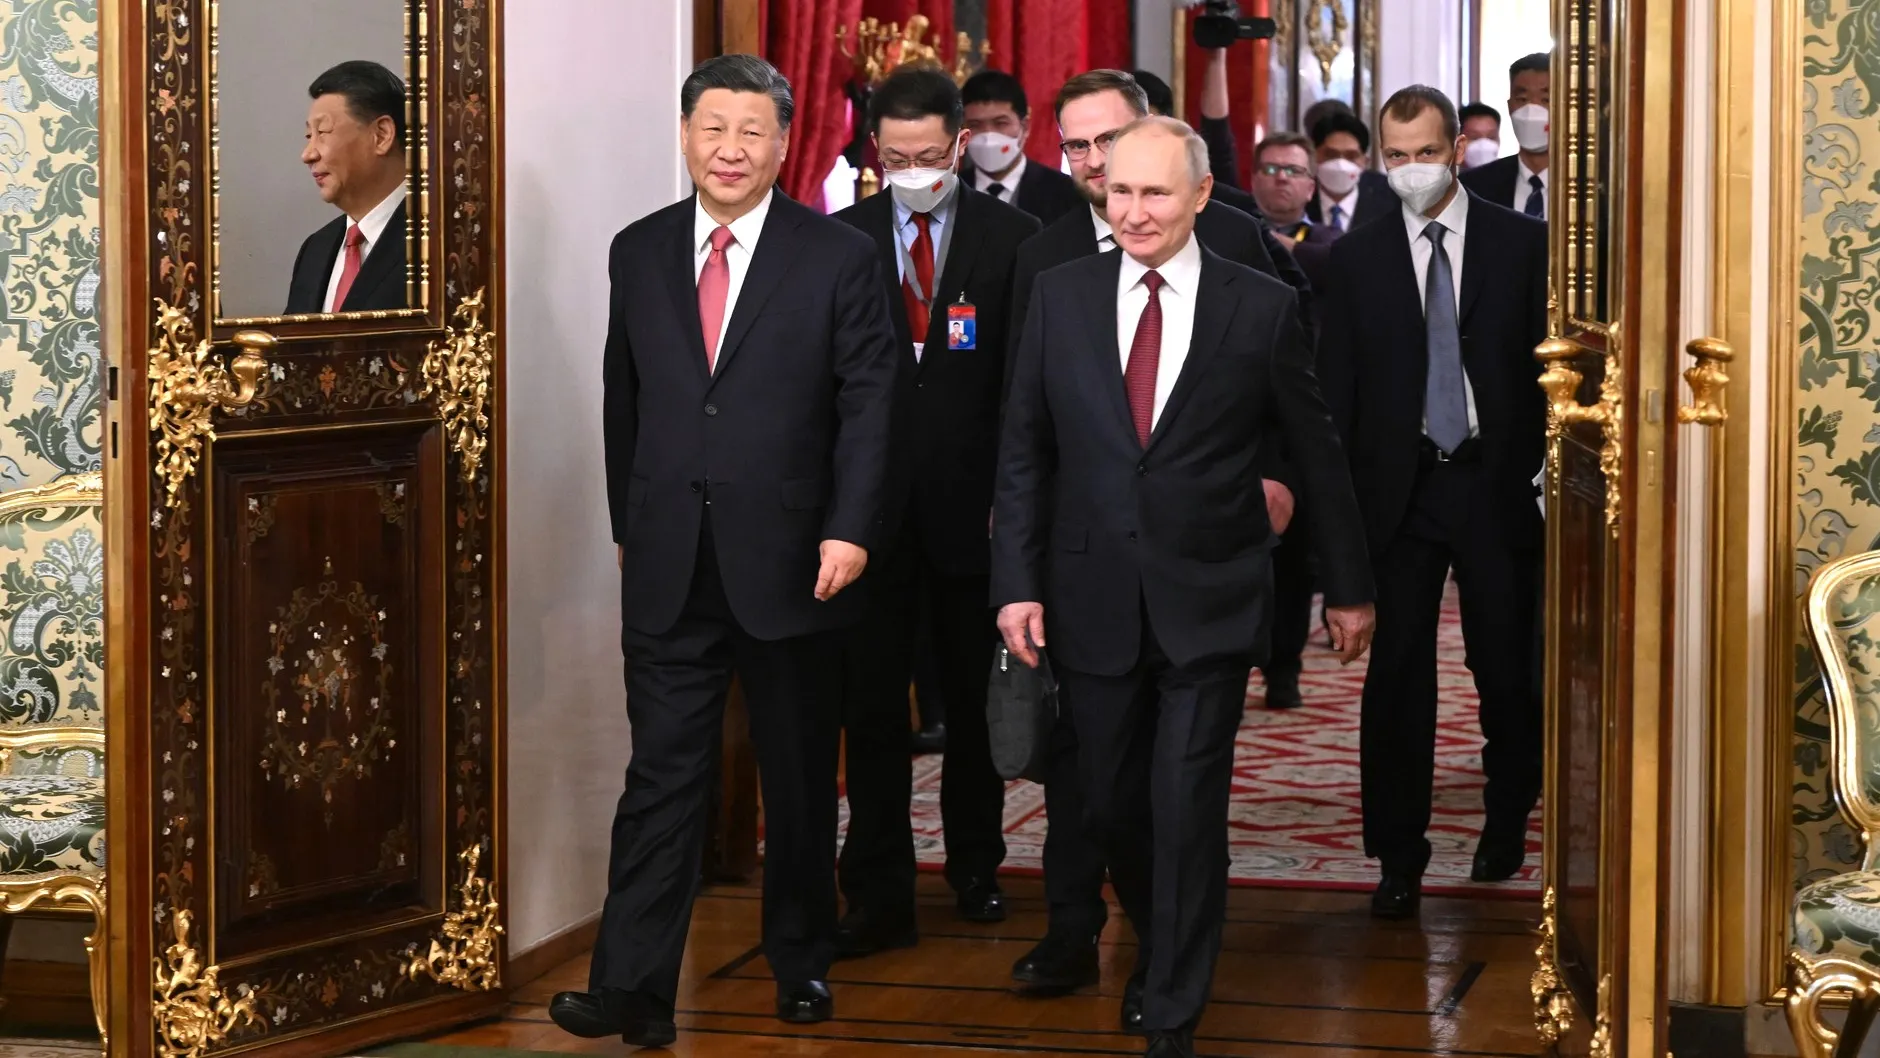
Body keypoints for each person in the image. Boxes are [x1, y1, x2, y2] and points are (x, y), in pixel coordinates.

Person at [992, 115, 1375, 1058]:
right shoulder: (1060, 295)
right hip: (1088, 596)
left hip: (1210, 596)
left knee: (1187, 800)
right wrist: (1015, 584)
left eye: (1155, 192)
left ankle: (1171, 1005)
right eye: (1118, 191)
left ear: (1201, 196)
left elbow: (1317, 451)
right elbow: (1024, 451)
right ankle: (1163, 943)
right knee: (1109, 803)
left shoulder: (1260, 305)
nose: (1133, 211)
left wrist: (1348, 587)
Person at [550, 54, 899, 1046]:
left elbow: (871, 404)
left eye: (751, 131)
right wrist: (628, 524)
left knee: (796, 773)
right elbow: (625, 397)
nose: (729, 149)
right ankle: (632, 987)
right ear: (684, 134)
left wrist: (850, 526)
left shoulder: (837, 256)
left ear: (784, 143)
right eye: (712, 128)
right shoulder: (638, 249)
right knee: (661, 775)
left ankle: (801, 960)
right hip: (668, 558)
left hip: (797, 558)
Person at [1316, 85, 1547, 920]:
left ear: (1456, 150)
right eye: (1396, 154)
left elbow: (1552, 373)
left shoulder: (1524, 244)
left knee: (1506, 669)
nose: (1410, 167)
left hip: (1496, 483)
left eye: (1424, 151)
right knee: (1398, 676)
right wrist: (1340, 539)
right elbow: (1335, 398)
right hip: (1400, 490)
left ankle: (1507, 815)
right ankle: (1398, 857)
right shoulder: (1357, 259)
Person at [828, 65, 1041, 959]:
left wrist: (1015, 506)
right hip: (870, 518)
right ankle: (876, 889)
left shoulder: (1014, 239)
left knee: (971, 703)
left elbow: (1026, 387)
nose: (912, 172)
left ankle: (976, 867)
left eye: (928, 156)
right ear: (875, 151)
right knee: (873, 708)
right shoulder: (841, 240)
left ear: (959, 145)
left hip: (975, 513)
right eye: (896, 157)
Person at [1248, 130, 1341, 710]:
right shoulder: (1231, 235)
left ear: (1311, 186)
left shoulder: (1330, 245)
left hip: (1303, 416)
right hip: (1241, 412)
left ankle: (1284, 666)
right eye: (1270, 169)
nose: (1281, 180)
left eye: (1293, 171)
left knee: (1293, 556)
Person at [285, 61, 410, 314]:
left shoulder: (440, 242)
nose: (308, 154)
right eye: (309, 136)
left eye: (323, 132)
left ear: (382, 135)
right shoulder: (315, 250)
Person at [960, 69, 1083, 225]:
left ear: (1025, 127)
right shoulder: (952, 192)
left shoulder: (1066, 193)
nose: (988, 137)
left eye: (1000, 123)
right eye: (975, 125)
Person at [1461, 53, 1550, 217]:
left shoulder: (1592, 187)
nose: (1531, 111)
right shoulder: (1472, 187)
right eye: (1522, 99)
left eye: (1546, 100)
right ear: (1510, 107)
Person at [1304, 111, 1394, 232]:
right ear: (1313, 157)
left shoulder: (1391, 198)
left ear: (1365, 162)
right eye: (1330, 154)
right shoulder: (1297, 196)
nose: (1340, 164)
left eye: (1351, 156)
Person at [1459, 101, 1503, 170]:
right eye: (1474, 138)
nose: (1484, 146)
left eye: (1491, 137)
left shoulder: (1511, 173)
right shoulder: (1445, 174)